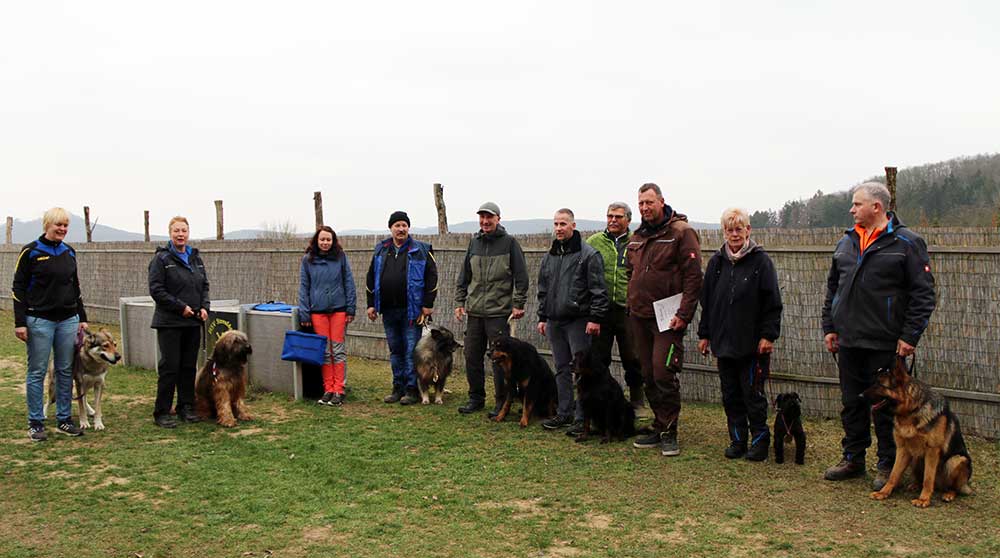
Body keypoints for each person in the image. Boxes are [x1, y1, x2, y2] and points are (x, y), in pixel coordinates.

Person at [821, 182, 935, 490]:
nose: (851, 209)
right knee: (851, 403)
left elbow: (923, 295)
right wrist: (829, 327)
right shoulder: (846, 242)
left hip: (885, 343)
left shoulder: (906, 243)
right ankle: (853, 458)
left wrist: (910, 336)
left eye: (857, 204)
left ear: (877, 207)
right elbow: (834, 288)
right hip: (848, 341)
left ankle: (887, 465)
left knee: (887, 408)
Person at [697, 208, 783, 461]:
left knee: (753, 395)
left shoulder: (761, 262)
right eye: (729, 230)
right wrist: (705, 335)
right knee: (731, 395)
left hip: (752, 345)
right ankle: (737, 439)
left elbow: (773, 303)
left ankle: (759, 440)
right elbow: (708, 303)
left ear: (748, 230)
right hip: (723, 343)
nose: (734, 234)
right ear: (723, 232)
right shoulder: (716, 263)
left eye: (739, 229)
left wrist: (768, 336)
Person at [627, 183, 703, 457]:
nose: (645, 208)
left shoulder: (681, 233)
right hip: (640, 316)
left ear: (661, 202)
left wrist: (684, 314)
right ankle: (659, 425)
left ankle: (670, 430)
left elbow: (694, 276)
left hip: (668, 318)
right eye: (641, 204)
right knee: (646, 373)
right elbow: (630, 272)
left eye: (649, 202)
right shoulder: (636, 237)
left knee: (663, 371)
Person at [12, 207, 88, 441]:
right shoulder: (31, 252)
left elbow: (74, 287)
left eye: (65, 226)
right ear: (47, 225)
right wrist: (20, 322)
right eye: (58, 225)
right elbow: (18, 289)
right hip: (39, 321)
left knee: (65, 370)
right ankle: (36, 423)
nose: (62, 229)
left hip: (67, 320)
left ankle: (64, 419)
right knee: (37, 371)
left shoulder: (69, 252)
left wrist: (82, 317)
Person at [453, 202, 530, 415]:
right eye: (482, 218)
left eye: (490, 217)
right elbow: (463, 277)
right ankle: (475, 398)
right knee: (471, 356)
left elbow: (521, 277)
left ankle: (501, 402)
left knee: (499, 361)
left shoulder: (510, 243)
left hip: (499, 313)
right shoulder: (473, 243)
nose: (485, 221)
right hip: (475, 311)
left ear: (498, 219)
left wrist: (518, 303)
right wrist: (460, 302)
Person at [537, 208, 609, 431]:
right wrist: (542, 316)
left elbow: (599, 290)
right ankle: (564, 413)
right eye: (556, 224)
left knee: (582, 370)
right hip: (555, 321)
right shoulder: (550, 256)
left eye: (563, 224)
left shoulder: (588, 255)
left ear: (573, 226)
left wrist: (595, 318)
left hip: (579, 321)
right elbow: (543, 289)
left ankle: (582, 417)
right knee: (561, 368)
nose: (559, 228)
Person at [365, 211, 438, 406]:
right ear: (391, 228)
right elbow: (371, 278)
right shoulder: (381, 250)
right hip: (388, 310)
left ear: (408, 228)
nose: (401, 229)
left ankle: (412, 390)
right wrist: (371, 304)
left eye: (404, 225)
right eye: (397, 225)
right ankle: (397, 387)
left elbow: (432, 277)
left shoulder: (421, 250)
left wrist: (428, 304)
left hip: (412, 311)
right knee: (395, 350)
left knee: (410, 351)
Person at [148, 216, 210, 428]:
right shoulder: (161, 260)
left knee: (188, 367)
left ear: (188, 233)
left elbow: (204, 286)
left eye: (183, 230)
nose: (180, 234)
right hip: (170, 323)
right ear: (170, 233)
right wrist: (180, 307)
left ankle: (186, 407)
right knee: (170, 367)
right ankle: (162, 412)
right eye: (176, 231)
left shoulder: (196, 258)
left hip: (193, 323)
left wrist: (204, 307)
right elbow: (156, 290)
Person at [586, 201, 646, 413]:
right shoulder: (594, 242)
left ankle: (637, 400)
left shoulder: (637, 242)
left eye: (618, 217)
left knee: (633, 356)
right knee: (599, 356)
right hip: (601, 309)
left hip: (628, 309)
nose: (613, 220)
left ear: (628, 220)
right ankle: (601, 397)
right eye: (610, 216)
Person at [299, 226, 357, 406]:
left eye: (328, 239)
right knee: (325, 352)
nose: (325, 242)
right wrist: (305, 313)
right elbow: (304, 287)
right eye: (322, 239)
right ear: (316, 240)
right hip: (317, 312)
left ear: (333, 241)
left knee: (337, 351)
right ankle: (328, 389)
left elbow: (349, 282)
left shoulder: (340, 258)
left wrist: (350, 308)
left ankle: (339, 389)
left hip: (338, 310)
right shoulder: (308, 260)